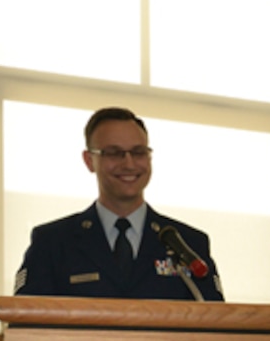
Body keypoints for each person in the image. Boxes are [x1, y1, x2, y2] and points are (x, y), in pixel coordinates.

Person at [13, 108, 223, 301]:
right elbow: (24, 325)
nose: (129, 164)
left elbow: (220, 326)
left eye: (139, 152)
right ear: (89, 161)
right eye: (114, 153)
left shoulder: (188, 244)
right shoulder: (52, 243)